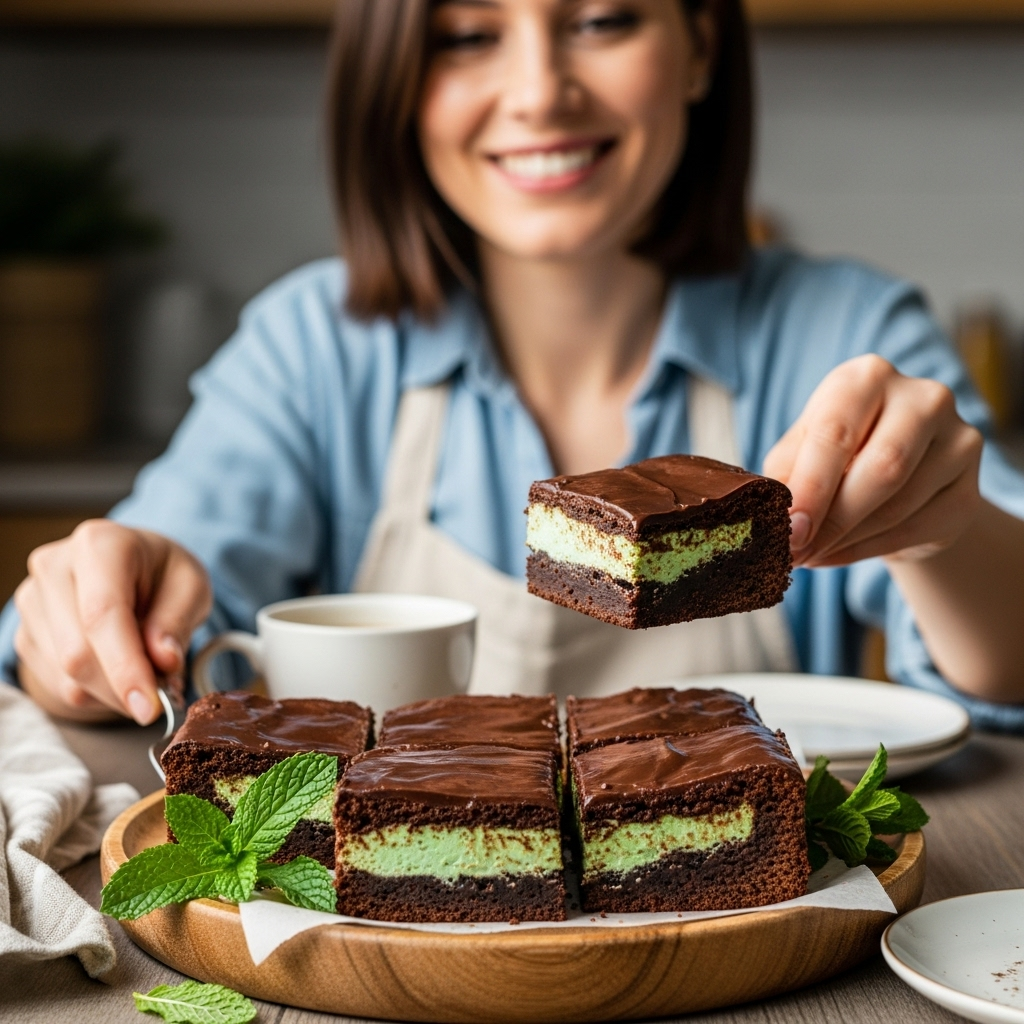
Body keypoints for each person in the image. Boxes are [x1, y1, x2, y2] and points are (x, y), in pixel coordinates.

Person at [3, 0, 1024, 729]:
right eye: (466, 36)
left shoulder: (840, 331)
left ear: (701, 44)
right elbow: (118, 636)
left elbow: (1008, 669)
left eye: (602, 20)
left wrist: (947, 527)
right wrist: (89, 631)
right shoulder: (314, 349)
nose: (539, 91)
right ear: (393, 80)